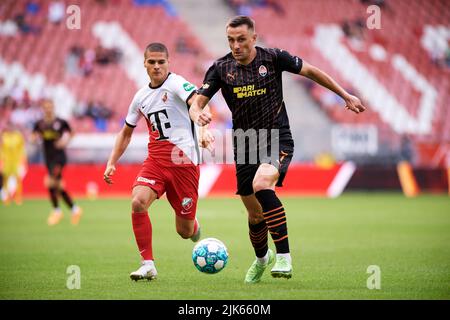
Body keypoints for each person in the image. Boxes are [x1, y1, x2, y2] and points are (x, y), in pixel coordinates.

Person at [189, 15, 366, 283]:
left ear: (253, 39)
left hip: (277, 137)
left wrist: (345, 95)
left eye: (241, 40)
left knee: (263, 184)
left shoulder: (273, 58)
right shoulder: (220, 68)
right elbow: (197, 103)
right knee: (254, 213)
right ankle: (262, 259)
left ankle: (283, 256)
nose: (235, 46)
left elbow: (312, 71)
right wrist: (198, 118)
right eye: (231, 40)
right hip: (245, 143)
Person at [103, 43, 213, 281]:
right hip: (156, 161)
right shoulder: (140, 96)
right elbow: (126, 132)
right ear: (144, 63)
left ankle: (193, 225)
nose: (156, 66)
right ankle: (148, 264)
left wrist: (203, 130)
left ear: (168, 62)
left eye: (161, 62)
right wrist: (112, 161)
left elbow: (198, 103)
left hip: (184, 165)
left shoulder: (177, 84)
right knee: (138, 202)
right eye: (151, 62)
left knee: (184, 231)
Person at [32, 99, 83, 226]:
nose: (48, 109)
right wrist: (34, 139)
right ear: (43, 108)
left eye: (50, 107)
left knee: (49, 182)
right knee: (58, 186)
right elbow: (33, 136)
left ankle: (57, 211)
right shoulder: (40, 124)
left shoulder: (60, 122)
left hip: (59, 158)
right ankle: (74, 209)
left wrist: (64, 142)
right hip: (48, 158)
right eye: (46, 107)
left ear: (53, 107)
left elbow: (72, 133)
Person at [0, 122, 27, 205]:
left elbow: (22, 149)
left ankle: (18, 197)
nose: (10, 128)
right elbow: (1, 150)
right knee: (5, 179)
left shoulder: (18, 137)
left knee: (18, 179)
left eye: (11, 126)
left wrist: (23, 160)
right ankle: (7, 197)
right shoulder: (3, 137)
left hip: (16, 161)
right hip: (7, 161)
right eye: (9, 126)